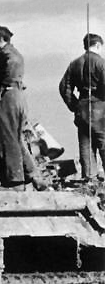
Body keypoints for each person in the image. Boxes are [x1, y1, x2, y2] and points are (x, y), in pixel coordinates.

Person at [0, 25, 46, 190]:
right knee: (17, 139)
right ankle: (34, 175)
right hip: (18, 97)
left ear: (0, 39)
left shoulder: (6, 55)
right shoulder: (14, 53)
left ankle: (15, 182)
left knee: (9, 139)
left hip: (9, 97)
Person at [59, 33, 105, 179]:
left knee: (86, 146)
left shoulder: (74, 64)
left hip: (82, 108)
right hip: (100, 108)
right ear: (98, 45)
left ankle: (89, 179)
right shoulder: (101, 63)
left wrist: (74, 105)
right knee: (103, 144)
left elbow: (64, 87)